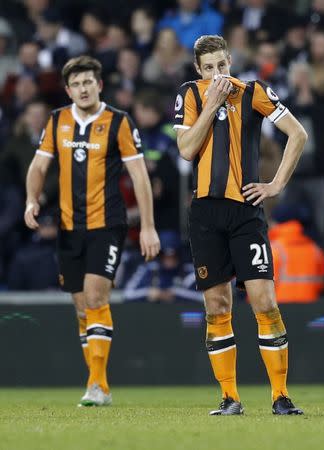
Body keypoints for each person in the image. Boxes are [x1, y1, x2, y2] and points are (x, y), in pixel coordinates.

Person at [173, 35, 307, 415]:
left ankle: (280, 396)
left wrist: (276, 184)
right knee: (217, 306)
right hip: (205, 215)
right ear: (199, 70)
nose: (218, 74)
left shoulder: (253, 92)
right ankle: (230, 398)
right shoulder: (190, 95)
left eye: (223, 65)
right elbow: (185, 150)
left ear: (231, 61)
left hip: (246, 212)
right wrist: (210, 105)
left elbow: (298, 133)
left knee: (265, 302)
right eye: (210, 67)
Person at [24, 55, 160, 407]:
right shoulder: (57, 121)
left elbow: (140, 177)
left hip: (107, 225)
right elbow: (39, 165)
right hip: (69, 226)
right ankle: (99, 384)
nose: (83, 89)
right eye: (76, 84)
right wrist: (31, 200)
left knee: (97, 296)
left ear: (99, 85)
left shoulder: (119, 122)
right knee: (82, 307)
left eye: (89, 82)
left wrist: (147, 227)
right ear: (68, 90)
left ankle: (96, 385)